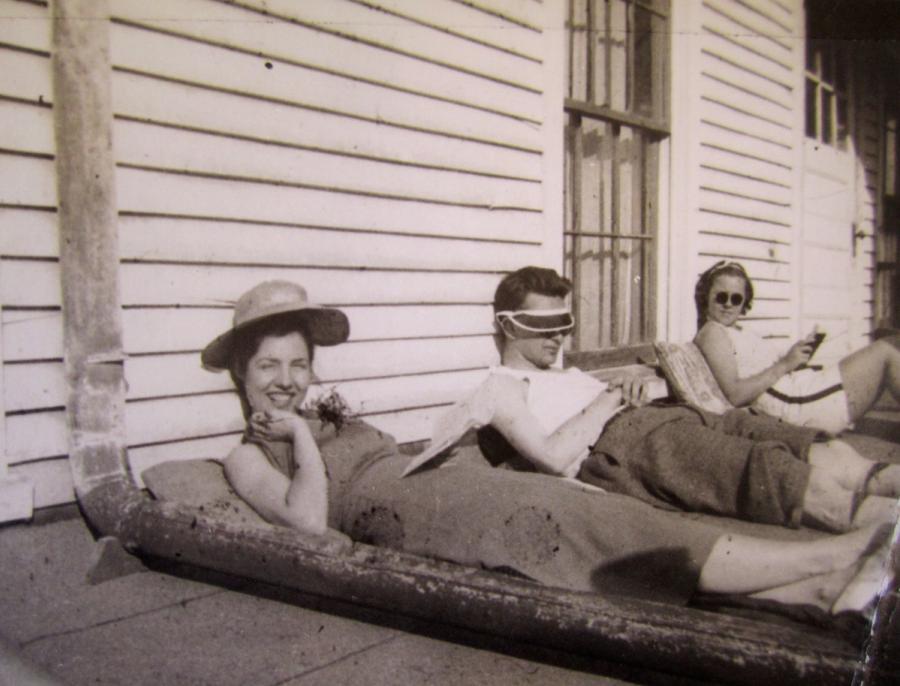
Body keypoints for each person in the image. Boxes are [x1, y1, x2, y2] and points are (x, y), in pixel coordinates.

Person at [203, 279, 892, 619]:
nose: (288, 381)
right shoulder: (247, 456)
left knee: (586, 513)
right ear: (242, 373)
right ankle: (827, 556)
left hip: (444, 485)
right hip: (416, 519)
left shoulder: (330, 417)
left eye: (297, 365)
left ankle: (812, 587)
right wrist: (296, 436)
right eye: (269, 368)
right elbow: (306, 521)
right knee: (585, 529)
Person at [406, 266, 900, 536]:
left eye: (564, 324)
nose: (557, 338)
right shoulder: (499, 387)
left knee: (787, 437)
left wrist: (637, 393)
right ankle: (877, 522)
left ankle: (879, 479)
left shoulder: (561, 372)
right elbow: (554, 458)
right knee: (762, 469)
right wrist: (609, 403)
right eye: (543, 326)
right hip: (629, 446)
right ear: (507, 325)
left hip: (661, 418)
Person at [693, 260, 900, 434]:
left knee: (889, 348)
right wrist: (785, 364)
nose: (729, 304)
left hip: (803, 392)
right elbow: (735, 394)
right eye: (721, 296)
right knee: (887, 350)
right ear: (706, 297)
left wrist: (797, 355)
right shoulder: (713, 332)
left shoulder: (736, 331)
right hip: (799, 405)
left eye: (736, 298)